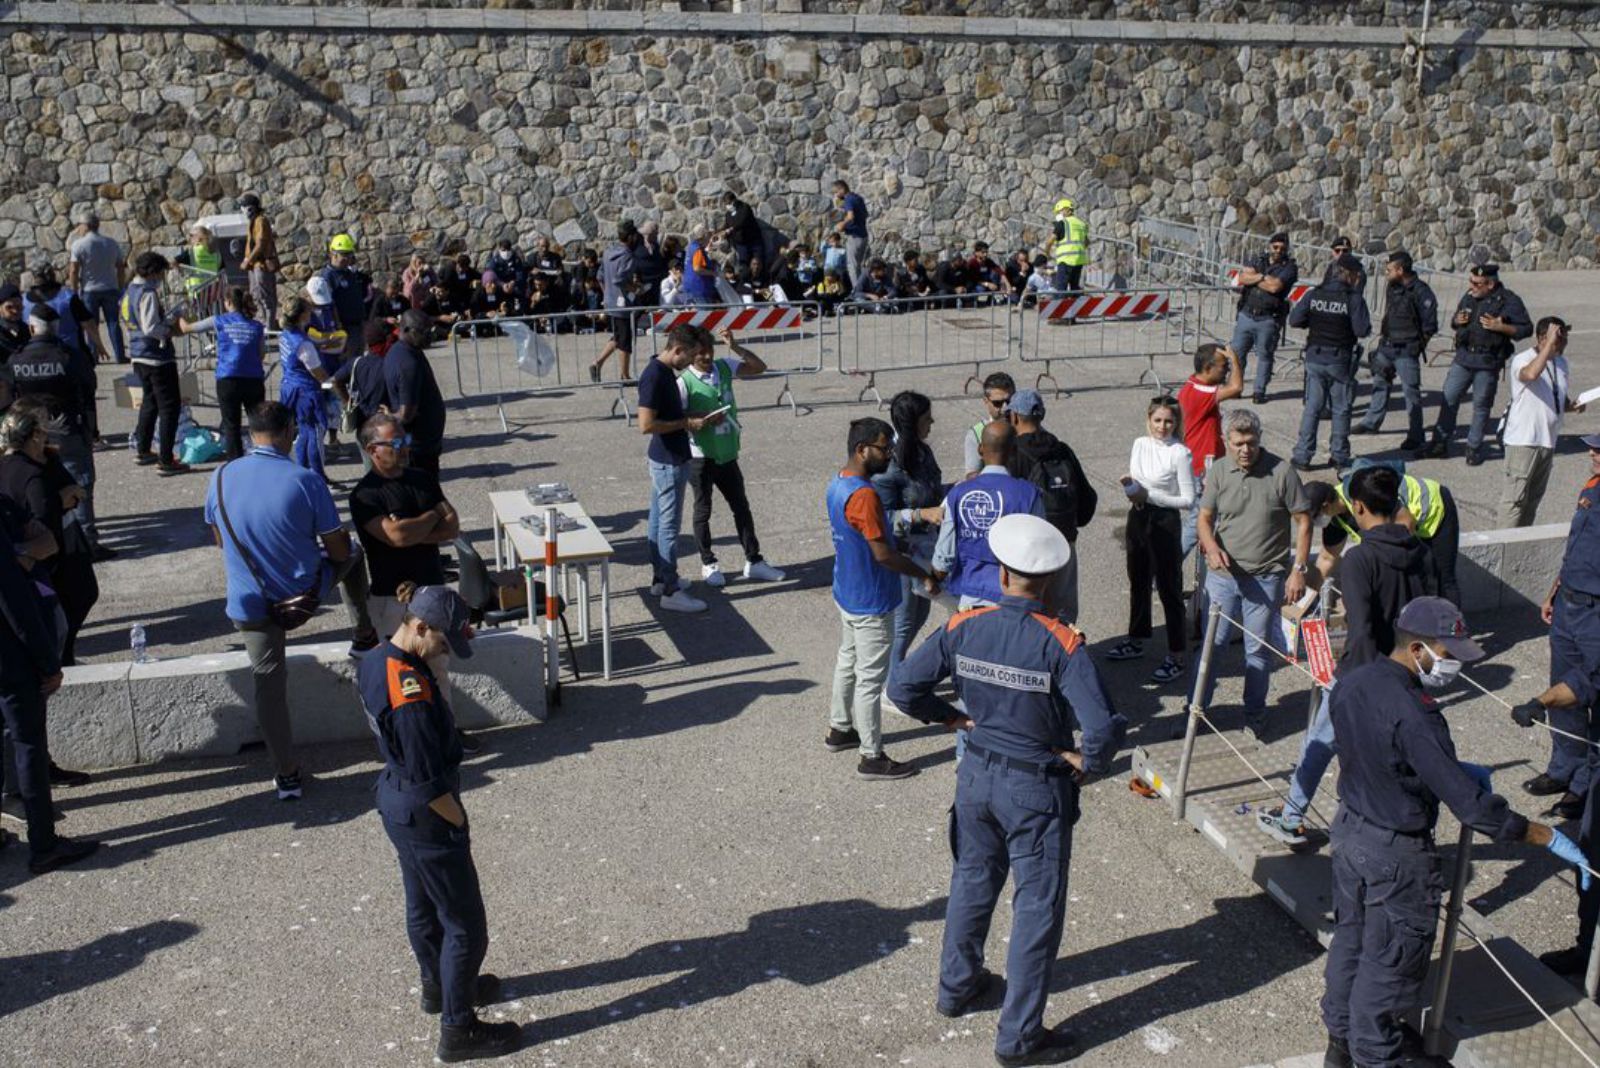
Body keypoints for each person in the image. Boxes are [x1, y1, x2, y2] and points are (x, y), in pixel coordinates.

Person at [887, 512, 1126, 1068]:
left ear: (1000, 575)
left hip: (976, 777)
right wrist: (1085, 762)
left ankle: (957, 986)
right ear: (1047, 582)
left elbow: (903, 687)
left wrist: (950, 720)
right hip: (1035, 788)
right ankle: (1018, 1037)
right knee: (1036, 908)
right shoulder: (1061, 642)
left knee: (971, 882)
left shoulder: (964, 625)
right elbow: (1103, 727)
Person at [1319, 596, 1587, 1068]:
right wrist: (1545, 836)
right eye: (1448, 654)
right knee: (1390, 964)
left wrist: (1437, 768)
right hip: (1396, 852)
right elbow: (1476, 812)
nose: (1452, 666)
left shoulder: (1354, 681)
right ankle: (1375, 1055)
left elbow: (1371, 751)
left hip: (1350, 830)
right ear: (1418, 648)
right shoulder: (1416, 713)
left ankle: (1340, 1045)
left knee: (1353, 943)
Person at [357, 583, 520, 1063]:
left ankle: (440, 987)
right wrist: (459, 825)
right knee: (466, 925)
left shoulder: (376, 659)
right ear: (419, 626)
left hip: (395, 800)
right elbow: (431, 785)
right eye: (444, 642)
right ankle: (459, 1029)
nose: (446, 651)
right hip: (424, 810)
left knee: (423, 906)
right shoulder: (411, 693)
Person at [203, 401, 378, 801]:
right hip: (303, 595)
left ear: (251, 433)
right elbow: (337, 551)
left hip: (249, 604)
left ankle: (287, 775)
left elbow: (219, 539)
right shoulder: (305, 480)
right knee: (355, 554)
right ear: (287, 433)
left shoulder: (220, 475)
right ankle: (363, 632)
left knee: (268, 686)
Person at [1256, 467, 1439, 847]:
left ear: (1357, 506)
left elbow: (1360, 627)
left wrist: (1355, 681)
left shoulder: (1360, 559)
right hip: (1406, 671)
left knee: (1319, 744)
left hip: (1362, 672)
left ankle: (1292, 817)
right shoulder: (1421, 551)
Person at [826, 417, 937, 780]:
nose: (889, 454)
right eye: (883, 447)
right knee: (871, 679)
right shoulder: (865, 496)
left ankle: (840, 728)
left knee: (848, 660)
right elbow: (883, 556)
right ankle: (871, 755)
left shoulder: (837, 483)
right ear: (862, 450)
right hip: (872, 598)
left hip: (847, 590)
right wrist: (923, 573)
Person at [1194, 408, 1312, 738]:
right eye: (1238, 444)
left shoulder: (1282, 472)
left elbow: (1303, 521)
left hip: (1266, 577)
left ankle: (1255, 715)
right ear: (1225, 442)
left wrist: (1298, 570)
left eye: (1251, 442)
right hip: (1223, 577)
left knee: (1257, 650)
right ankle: (1196, 711)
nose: (1245, 450)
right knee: (1211, 647)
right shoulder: (1219, 471)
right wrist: (1210, 547)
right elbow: (1204, 518)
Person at [0, 494, 100, 872]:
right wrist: (47, 663)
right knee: (28, 744)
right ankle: (44, 844)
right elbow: (15, 605)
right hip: (10, 659)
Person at [1514, 434, 1600, 830]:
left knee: (1591, 692)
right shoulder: (1591, 486)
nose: (1592, 453)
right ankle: (1564, 767)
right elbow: (1576, 546)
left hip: (1596, 612)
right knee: (1563, 688)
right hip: (1571, 603)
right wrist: (1554, 590)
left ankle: (1584, 786)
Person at [350, 415, 463, 702]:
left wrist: (409, 529)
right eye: (396, 442)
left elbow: (451, 526)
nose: (404, 448)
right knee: (404, 677)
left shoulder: (422, 479)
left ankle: (445, 734)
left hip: (432, 593)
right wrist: (430, 516)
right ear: (373, 449)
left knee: (438, 670)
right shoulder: (365, 495)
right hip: (393, 599)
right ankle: (414, 737)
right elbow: (396, 537)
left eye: (406, 440)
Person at [675, 329, 785, 589]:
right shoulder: (684, 382)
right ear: (690, 354)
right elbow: (677, 421)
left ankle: (754, 560)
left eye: (709, 350)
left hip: (727, 453)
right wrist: (701, 418)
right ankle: (708, 562)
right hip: (701, 456)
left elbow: (759, 367)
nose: (706, 356)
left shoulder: (723, 367)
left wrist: (735, 346)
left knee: (741, 507)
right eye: (700, 352)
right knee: (703, 510)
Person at [0, 401, 98, 666]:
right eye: (44, 430)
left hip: (44, 559)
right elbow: (43, 526)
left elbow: (73, 490)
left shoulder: (31, 461)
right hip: (49, 564)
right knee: (61, 613)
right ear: (34, 436)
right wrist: (60, 501)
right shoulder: (33, 477)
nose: (49, 436)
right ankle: (60, 661)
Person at [1106, 396, 1195, 683]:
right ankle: (1136, 638)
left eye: (1169, 421)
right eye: (1157, 420)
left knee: (1170, 588)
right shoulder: (1140, 444)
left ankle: (1177, 654)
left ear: (1176, 422)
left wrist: (1150, 496)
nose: (1162, 426)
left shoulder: (1180, 453)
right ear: (1149, 420)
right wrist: (1132, 491)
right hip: (1139, 516)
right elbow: (1135, 478)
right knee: (1138, 581)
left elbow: (1188, 499)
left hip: (1165, 521)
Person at [639, 324, 722, 613]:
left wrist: (689, 416)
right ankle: (670, 590)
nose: (691, 362)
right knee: (668, 526)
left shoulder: (662, 372)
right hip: (668, 460)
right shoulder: (654, 376)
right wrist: (687, 423)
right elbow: (646, 425)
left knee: (658, 521)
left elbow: (666, 415)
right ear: (678, 349)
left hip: (668, 458)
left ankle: (661, 579)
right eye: (690, 355)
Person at [7, 303, 101, 555]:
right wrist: (92, 429)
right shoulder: (69, 356)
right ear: (57, 328)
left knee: (40, 488)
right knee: (79, 482)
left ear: (31, 327)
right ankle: (87, 542)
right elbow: (89, 388)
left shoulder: (17, 358)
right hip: (68, 428)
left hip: (30, 435)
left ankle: (52, 542)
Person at [1304, 463, 1462, 607]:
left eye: (1315, 517)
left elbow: (1407, 523)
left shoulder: (1364, 493)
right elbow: (1326, 559)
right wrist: (1305, 602)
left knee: (1443, 578)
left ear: (1325, 506)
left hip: (1435, 510)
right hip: (1412, 526)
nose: (1315, 523)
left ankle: (1454, 631)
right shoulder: (1335, 519)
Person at [1422, 263, 1533, 465]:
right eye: (1471, 281)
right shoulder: (1469, 296)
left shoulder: (1508, 300)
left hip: (1487, 361)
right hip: (1464, 357)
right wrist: (1457, 320)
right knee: (1449, 397)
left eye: (1476, 283)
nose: (1471, 286)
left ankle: (1473, 447)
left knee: (1481, 405)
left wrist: (1502, 327)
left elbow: (1526, 328)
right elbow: (1455, 322)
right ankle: (1439, 443)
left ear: (1490, 284)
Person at [932, 420, 1044, 610]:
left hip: (970, 597)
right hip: (1013, 598)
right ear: (1014, 450)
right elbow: (1039, 551)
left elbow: (945, 557)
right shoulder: (1029, 494)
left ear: (980, 449)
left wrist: (932, 578)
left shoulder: (958, 494)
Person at [1006, 390, 1096, 623]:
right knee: (1064, 612)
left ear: (1014, 417)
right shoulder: (1062, 450)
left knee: (1030, 610)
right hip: (1063, 540)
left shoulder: (1011, 452)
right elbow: (1087, 499)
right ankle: (1065, 654)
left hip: (1027, 546)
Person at [873, 390, 944, 674]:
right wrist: (920, 514)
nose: (932, 422)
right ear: (913, 423)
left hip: (927, 548)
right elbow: (882, 518)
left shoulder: (924, 452)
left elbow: (933, 491)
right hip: (901, 554)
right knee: (902, 621)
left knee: (922, 611)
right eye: (927, 418)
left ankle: (897, 671)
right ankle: (892, 682)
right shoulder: (888, 468)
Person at [1288, 252, 1372, 472]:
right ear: (1348, 274)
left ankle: (1302, 456)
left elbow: (1295, 320)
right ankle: (1339, 456)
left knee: (1312, 409)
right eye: (1356, 275)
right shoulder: (1353, 299)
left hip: (1315, 357)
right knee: (1341, 409)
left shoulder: (1314, 294)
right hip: (1339, 360)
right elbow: (1362, 330)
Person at [1501, 316, 1582, 527]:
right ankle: (1505, 542)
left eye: (1564, 339)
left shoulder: (1561, 362)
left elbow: (1557, 396)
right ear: (1541, 338)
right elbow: (1530, 374)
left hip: (1548, 441)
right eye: (1558, 339)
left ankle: (1522, 542)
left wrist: (1572, 406)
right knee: (1514, 500)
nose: (1563, 344)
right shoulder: (1523, 359)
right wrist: (1547, 348)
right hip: (1524, 441)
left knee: (1532, 500)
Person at [1354, 251, 1437, 449]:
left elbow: (1430, 326)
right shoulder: (1393, 286)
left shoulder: (1421, 292)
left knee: (1411, 393)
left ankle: (1416, 435)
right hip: (1387, 346)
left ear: (1400, 270)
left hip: (1406, 350)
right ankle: (1371, 422)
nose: (1386, 272)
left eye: (1389, 269)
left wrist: (1417, 347)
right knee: (1380, 384)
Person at [121, 251, 191, 475]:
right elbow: (150, 327)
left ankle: (143, 449)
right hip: (156, 357)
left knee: (150, 402)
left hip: (138, 355)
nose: (161, 279)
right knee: (169, 407)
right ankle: (166, 458)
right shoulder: (147, 293)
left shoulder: (129, 291)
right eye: (161, 274)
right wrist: (169, 330)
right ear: (152, 272)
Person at [183, 287, 266, 460]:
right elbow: (262, 353)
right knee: (257, 422)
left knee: (231, 424)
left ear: (227, 302)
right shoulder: (257, 326)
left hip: (228, 377)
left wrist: (179, 317)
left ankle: (234, 461)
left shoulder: (219, 320)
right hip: (253, 379)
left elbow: (188, 328)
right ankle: (262, 456)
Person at [1177, 343, 1244, 557]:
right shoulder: (1200, 391)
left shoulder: (1194, 383)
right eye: (1223, 366)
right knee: (1199, 524)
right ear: (1207, 368)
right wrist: (1235, 361)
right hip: (1203, 468)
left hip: (1201, 465)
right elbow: (1237, 389)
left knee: (1204, 521)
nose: (1226, 370)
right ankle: (1165, 572)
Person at [1230, 232, 1298, 404]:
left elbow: (1275, 287)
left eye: (1282, 248)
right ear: (1270, 246)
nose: (1278, 250)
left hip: (1268, 319)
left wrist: (1255, 278)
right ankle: (1235, 387)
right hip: (1246, 314)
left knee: (1265, 356)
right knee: (1237, 354)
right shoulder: (1258, 259)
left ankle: (1259, 391)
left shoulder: (1289, 267)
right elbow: (1242, 277)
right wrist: (1262, 277)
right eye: (1275, 247)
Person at [277, 296, 336, 478]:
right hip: (306, 392)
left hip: (290, 387)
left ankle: (302, 471)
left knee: (304, 431)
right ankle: (318, 476)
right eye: (309, 311)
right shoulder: (303, 343)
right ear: (302, 315)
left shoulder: (286, 334)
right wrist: (334, 386)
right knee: (316, 432)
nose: (311, 313)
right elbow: (317, 372)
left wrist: (320, 344)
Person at [386, 310, 448, 477]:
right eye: (423, 332)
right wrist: (389, 418)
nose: (429, 336)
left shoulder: (408, 350)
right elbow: (406, 415)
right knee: (426, 497)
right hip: (418, 449)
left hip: (423, 445)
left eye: (431, 331)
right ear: (405, 330)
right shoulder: (408, 364)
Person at [66, 210, 127, 364]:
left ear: (85, 226)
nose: (78, 229)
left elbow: (74, 270)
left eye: (79, 225)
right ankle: (120, 355)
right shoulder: (111, 243)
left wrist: (73, 291)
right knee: (113, 322)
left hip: (90, 290)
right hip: (110, 288)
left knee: (91, 325)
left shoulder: (79, 245)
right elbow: (120, 267)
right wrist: (120, 287)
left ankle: (93, 357)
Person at [589, 221, 642, 383]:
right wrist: (634, 288)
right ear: (631, 237)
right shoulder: (628, 256)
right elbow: (619, 279)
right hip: (623, 304)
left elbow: (600, 276)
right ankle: (624, 376)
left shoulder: (608, 252)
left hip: (611, 302)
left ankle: (597, 363)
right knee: (625, 340)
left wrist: (607, 295)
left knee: (619, 337)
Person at [321, 232, 372, 366]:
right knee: (346, 364)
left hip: (357, 325)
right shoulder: (328, 276)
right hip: (344, 328)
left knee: (358, 362)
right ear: (333, 254)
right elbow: (330, 305)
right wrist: (338, 328)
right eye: (344, 254)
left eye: (350, 254)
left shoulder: (349, 273)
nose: (348, 258)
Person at [239, 194, 280, 330]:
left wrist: (248, 260)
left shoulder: (261, 221)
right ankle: (263, 324)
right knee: (256, 295)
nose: (243, 211)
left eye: (245, 207)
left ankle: (269, 326)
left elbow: (260, 244)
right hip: (254, 266)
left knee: (265, 296)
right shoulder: (253, 221)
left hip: (261, 265)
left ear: (251, 208)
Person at [964, 372, 1015, 479]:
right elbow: (972, 475)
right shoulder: (976, 434)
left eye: (1009, 401)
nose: (1005, 407)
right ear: (986, 401)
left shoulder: (1024, 424)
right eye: (998, 403)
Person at [831, 179, 870, 291]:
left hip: (854, 237)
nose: (836, 195)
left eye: (836, 192)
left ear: (842, 189)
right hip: (863, 236)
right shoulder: (858, 198)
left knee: (852, 266)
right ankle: (863, 290)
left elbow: (851, 216)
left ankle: (857, 293)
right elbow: (864, 215)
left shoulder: (848, 199)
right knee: (859, 266)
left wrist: (842, 224)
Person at [719, 192, 765, 276]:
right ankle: (746, 283)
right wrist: (721, 231)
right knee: (744, 265)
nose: (728, 206)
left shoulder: (745, 208)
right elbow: (727, 225)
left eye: (729, 203)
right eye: (726, 204)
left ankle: (760, 283)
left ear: (734, 201)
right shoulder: (728, 214)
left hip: (754, 241)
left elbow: (742, 221)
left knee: (758, 263)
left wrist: (731, 229)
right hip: (741, 244)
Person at [1050, 197, 1089, 295]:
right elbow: (1087, 242)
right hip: (1079, 261)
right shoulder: (1081, 224)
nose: (1058, 215)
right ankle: (1076, 309)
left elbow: (1049, 241)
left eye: (1059, 212)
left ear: (1067, 210)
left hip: (1065, 260)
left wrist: (1046, 253)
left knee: (1061, 289)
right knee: (1074, 288)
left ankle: (1059, 309)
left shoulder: (1062, 223)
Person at [682, 224, 720, 307]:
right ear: (704, 236)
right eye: (708, 235)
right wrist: (713, 273)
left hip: (690, 287)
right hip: (699, 288)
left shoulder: (691, 246)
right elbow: (697, 268)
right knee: (704, 316)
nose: (709, 237)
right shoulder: (697, 249)